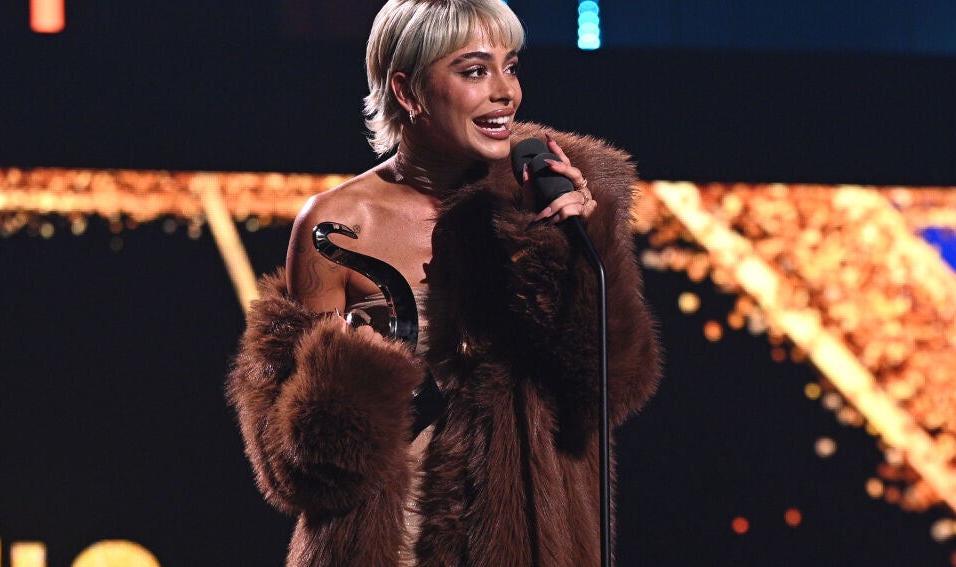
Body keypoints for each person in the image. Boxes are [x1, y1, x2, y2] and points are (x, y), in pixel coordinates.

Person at [226, 0, 661, 565]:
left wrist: (560, 249)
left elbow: (615, 385)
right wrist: (358, 378)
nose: (506, 92)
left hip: (524, 540)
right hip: (384, 547)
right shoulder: (336, 226)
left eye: (511, 66)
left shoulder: (557, 190)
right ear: (407, 91)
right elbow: (294, 470)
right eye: (475, 70)